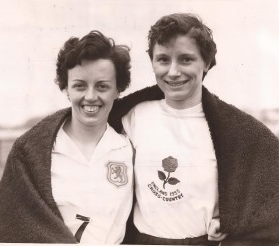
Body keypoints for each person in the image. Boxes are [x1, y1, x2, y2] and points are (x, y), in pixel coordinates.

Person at [108, 13, 279, 245]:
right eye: (163, 60)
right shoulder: (133, 116)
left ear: (206, 62)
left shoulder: (234, 130)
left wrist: (230, 219)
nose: (173, 71)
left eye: (186, 59)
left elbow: (259, 192)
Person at [0, 31, 134, 243]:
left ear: (118, 89)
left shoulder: (129, 148)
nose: (90, 96)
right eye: (80, 85)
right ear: (66, 88)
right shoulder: (31, 152)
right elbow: (8, 230)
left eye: (102, 86)